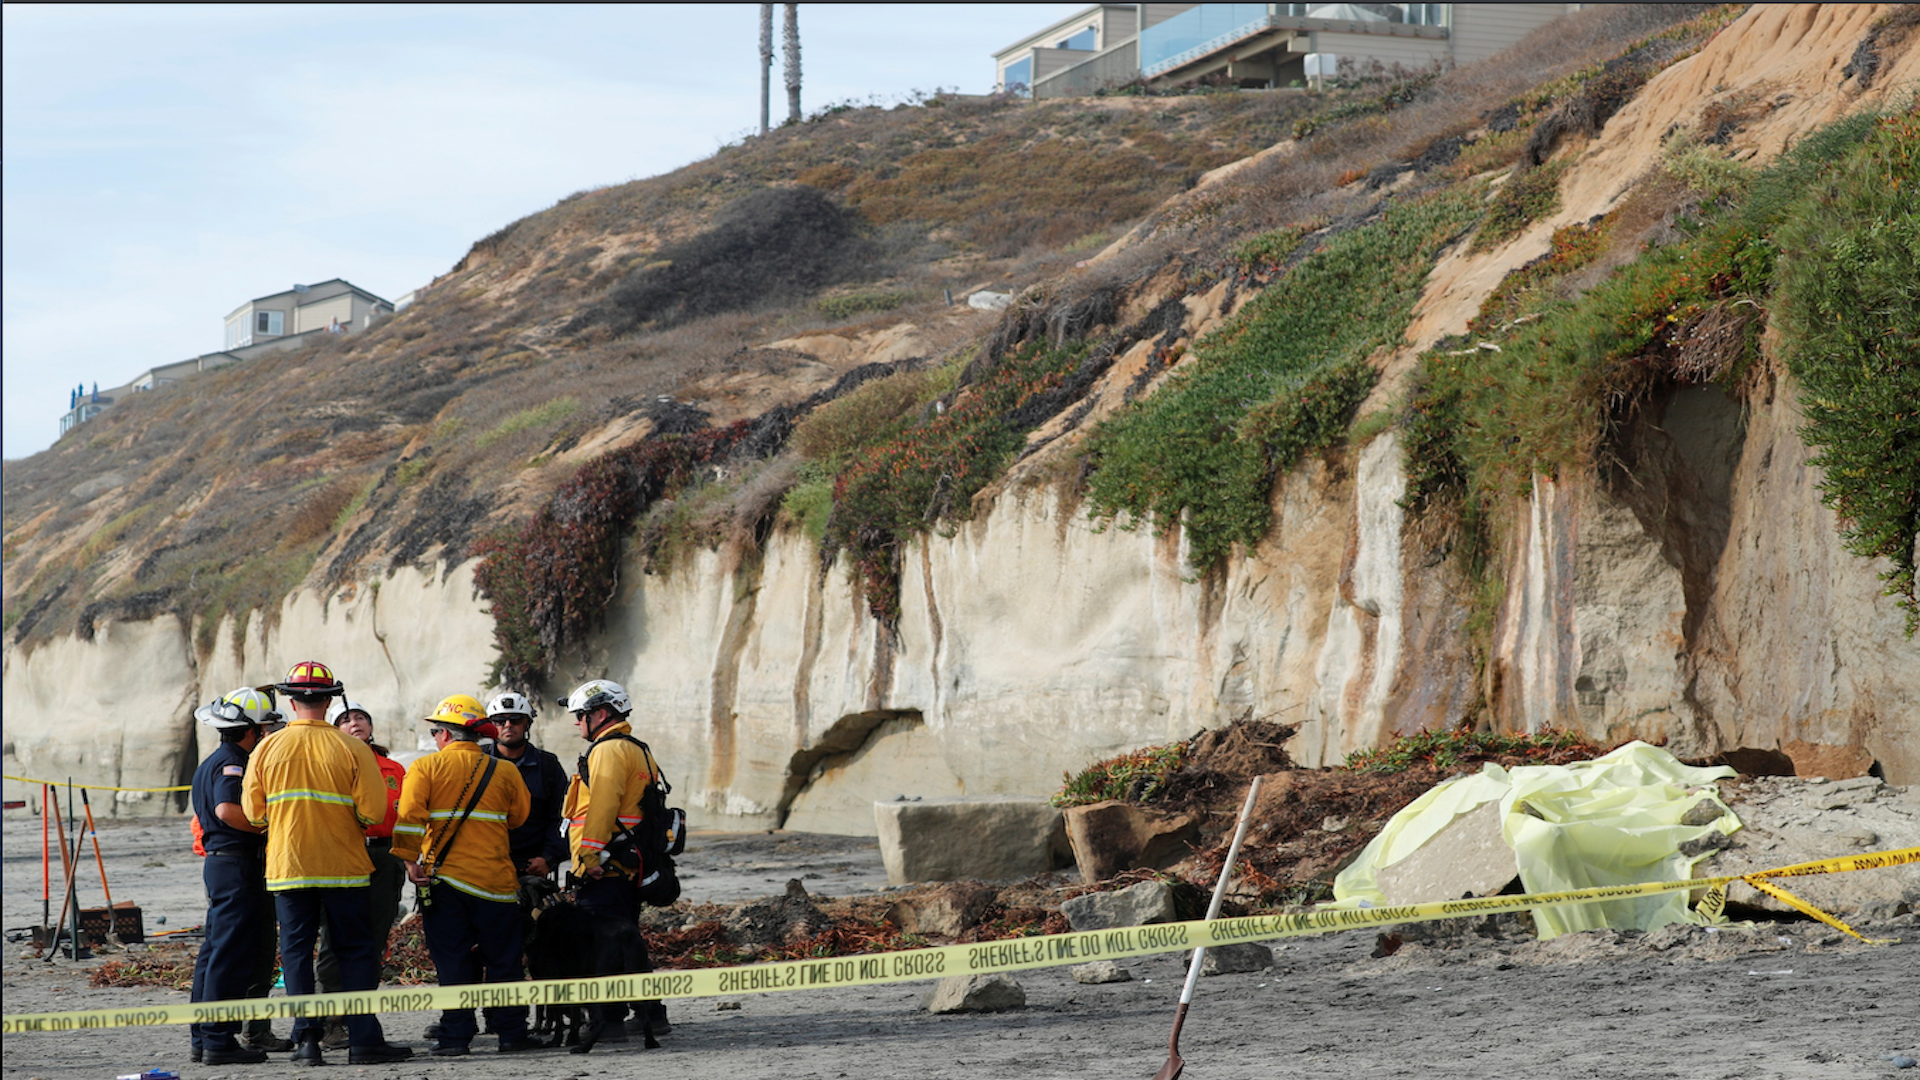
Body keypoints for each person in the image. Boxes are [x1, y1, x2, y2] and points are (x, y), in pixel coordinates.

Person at [240, 660, 412, 1066]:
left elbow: (253, 812)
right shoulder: (353, 748)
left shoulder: (267, 747)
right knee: (355, 950)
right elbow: (372, 811)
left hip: (289, 866)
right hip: (345, 867)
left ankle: (307, 1041)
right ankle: (365, 1038)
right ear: (331, 698)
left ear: (290, 699)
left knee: (297, 952)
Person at [391, 694, 535, 1056]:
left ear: (444, 734)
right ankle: (512, 1033)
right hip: (497, 882)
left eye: (437, 730)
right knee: (503, 960)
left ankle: (456, 1036)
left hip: (446, 881)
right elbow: (519, 817)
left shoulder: (425, 769)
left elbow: (408, 818)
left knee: (452, 960)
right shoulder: (505, 770)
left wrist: (411, 863)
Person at [561, 678, 669, 1036]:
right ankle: (651, 1014)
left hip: (605, 868)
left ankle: (607, 1021)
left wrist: (590, 857)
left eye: (581, 715)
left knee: (601, 947)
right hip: (628, 865)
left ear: (601, 713)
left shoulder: (606, 750)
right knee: (628, 943)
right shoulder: (639, 749)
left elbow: (603, 805)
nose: (577, 722)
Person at [188, 687, 283, 1066]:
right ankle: (218, 1040)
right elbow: (228, 810)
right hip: (238, 864)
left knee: (214, 952)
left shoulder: (215, 759)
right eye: (265, 728)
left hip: (224, 864)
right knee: (230, 954)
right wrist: (267, 828)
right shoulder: (234, 762)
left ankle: (203, 1036)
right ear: (252, 730)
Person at [314, 699, 408, 1050]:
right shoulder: (331, 763)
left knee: (375, 938)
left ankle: (362, 1017)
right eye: (346, 719)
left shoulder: (393, 768)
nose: (354, 723)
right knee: (335, 940)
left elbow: (405, 815)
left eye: (361, 718)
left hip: (385, 857)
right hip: (342, 854)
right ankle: (331, 1020)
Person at [485, 691, 568, 879]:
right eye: (500, 721)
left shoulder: (547, 765)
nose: (508, 725)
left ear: (527, 724)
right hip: (483, 867)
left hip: (531, 868)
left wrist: (549, 858)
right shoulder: (476, 762)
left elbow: (563, 817)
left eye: (515, 719)